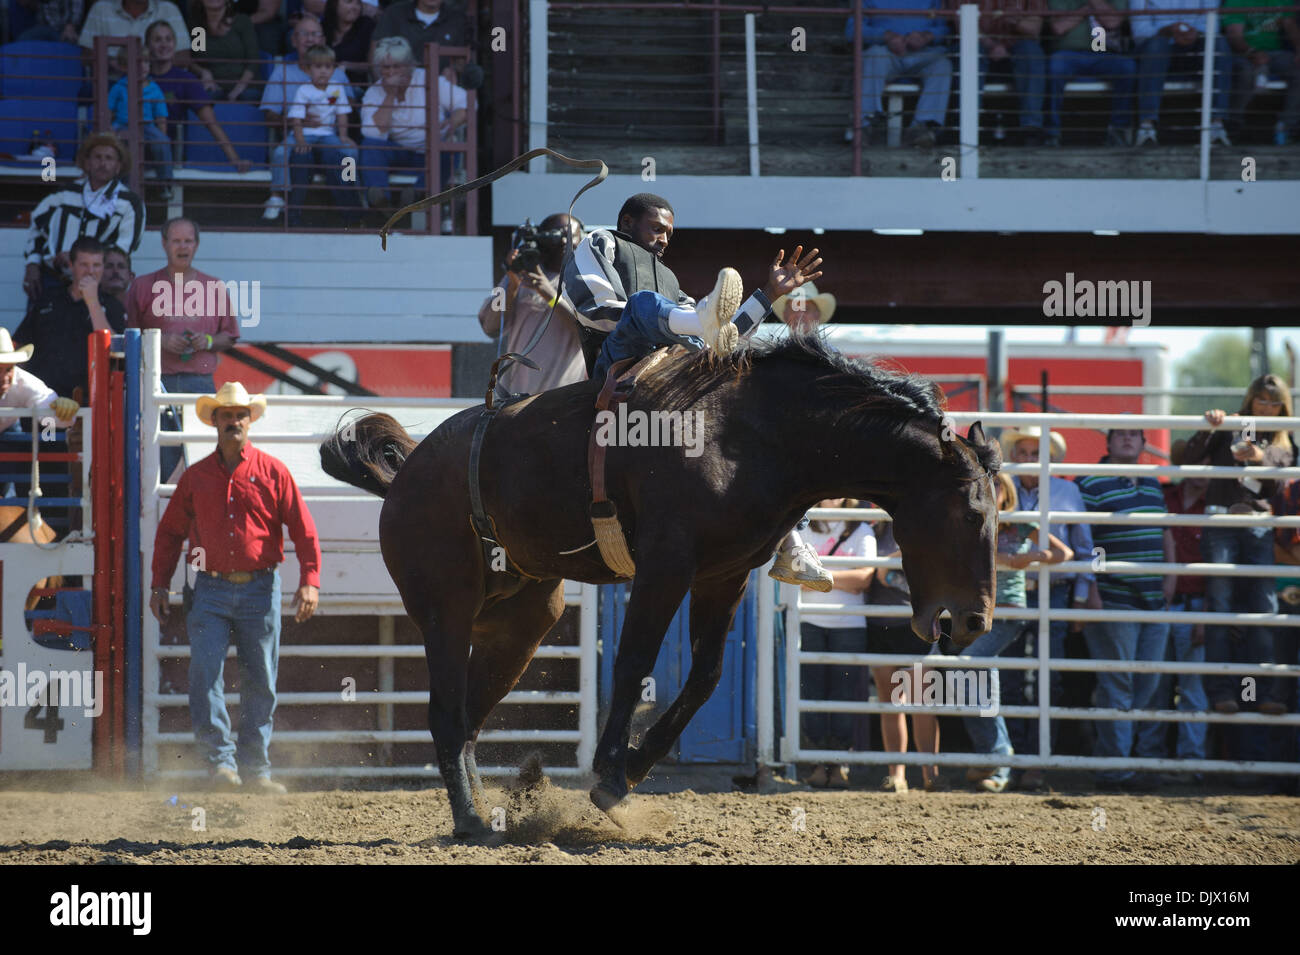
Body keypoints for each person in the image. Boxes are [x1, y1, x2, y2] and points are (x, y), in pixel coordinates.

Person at [561, 192, 832, 590]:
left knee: (751, 402)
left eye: (670, 232)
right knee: (643, 308)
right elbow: (593, 309)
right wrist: (669, 322)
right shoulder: (602, 242)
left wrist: (769, 294)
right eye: (657, 228)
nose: (666, 239)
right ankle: (693, 319)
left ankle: (792, 542)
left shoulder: (670, 282)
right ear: (627, 221)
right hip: (617, 366)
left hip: (672, 370)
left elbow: (718, 340)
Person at [149, 381, 320, 793]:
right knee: (205, 675)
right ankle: (222, 765)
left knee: (259, 678)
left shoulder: (272, 471)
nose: (234, 421)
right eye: (227, 415)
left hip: (259, 587)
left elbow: (303, 529)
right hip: (209, 588)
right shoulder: (197, 477)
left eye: (240, 414)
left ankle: (255, 769)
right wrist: (159, 584)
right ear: (216, 422)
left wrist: (310, 580)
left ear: (249, 420)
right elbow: (170, 533)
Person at [1184, 374, 1294, 772]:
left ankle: (1259, 691)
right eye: (1262, 401)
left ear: (1282, 407)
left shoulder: (1283, 439)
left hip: (1258, 525)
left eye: (1274, 403)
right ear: (1251, 400)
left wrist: (1258, 457)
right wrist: (1209, 424)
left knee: (1262, 608)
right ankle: (1224, 690)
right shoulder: (1230, 423)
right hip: (1223, 521)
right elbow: (1191, 459)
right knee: (1223, 604)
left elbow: (1279, 467)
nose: (1267, 409)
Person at [960, 470, 1072, 792]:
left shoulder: (1021, 524)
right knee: (976, 679)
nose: (992, 492)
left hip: (1008, 611)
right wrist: (1009, 558)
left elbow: (1063, 553)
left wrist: (1031, 557)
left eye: (997, 487)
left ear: (1007, 492)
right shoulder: (973, 523)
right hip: (980, 613)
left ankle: (996, 756)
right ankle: (993, 760)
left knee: (968, 669)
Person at [1077, 425, 1176, 790]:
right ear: (1108, 441)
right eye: (1120, 433)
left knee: (1147, 681)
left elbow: (1164, 531)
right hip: (1114, 595)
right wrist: (1092, 589)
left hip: (1154, 596)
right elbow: (1084, 538)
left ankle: (1120, 758)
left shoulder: (1152, 482)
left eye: (1135, 434)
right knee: (1118, 682)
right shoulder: (1090, 482)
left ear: (1144, 443)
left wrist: (1170, 577)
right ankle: (1116, 767)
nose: (1127, 438)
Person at [997, 425, 1093, 789]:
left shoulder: (1067, 491)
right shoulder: (1003, 491)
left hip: (1054, 592)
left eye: (1034, 453)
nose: (1027, 459)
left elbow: (1084, 550)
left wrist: (1082, 597)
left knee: (1045, 678)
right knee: (1008, 676)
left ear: (1048, 458)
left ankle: (1035, 760)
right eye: (1021, 453)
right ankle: (1014, 757)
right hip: (1011, 590)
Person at [126, 217, 241, 480]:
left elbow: (231, 336)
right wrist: (159, 340)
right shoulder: (142, 286)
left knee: (205, 460)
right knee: (159, 459)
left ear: (197, 246)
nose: (182, 246)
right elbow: (130, 337)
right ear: (164, 244)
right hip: (157, 383)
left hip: (199, 383)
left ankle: (200, 517)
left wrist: (208, 341)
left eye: (188, 241)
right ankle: (161, 515)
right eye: (176, 240)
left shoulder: (215, 287)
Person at [1136, 438, 1208, 780]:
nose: (1198, 470)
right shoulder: (1164, 497)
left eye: (1205, 462)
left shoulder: (1213, 506)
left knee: (1192, 688)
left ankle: (1190, 761)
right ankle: (1151, 759)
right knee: (1154, 685)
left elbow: (1217, 571)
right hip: (1160, 601)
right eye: (1192, 461)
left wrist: (1205, 614)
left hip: (1194, 603)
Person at [866, 503, 944, 792]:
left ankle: (930, 774)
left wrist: (888, 563)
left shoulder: (927, 529)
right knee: (890, 701)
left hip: (916, 622)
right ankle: (897, 774)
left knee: (921, 701)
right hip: (880, 621)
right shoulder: (873, 528)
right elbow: (871, 573)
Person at [799, 499, 875, 789]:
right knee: (813, 693)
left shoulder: (862, 529)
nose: (832, 497)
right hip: (811, 621)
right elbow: (796, 578)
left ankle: (840, 761)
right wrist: (844, 579)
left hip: (849, 624)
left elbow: (865, 578)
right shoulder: (804, 528)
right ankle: (820, 761)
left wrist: (817, 576)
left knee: (844, 696)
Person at [22, 132, 145, 304]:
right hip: (52, 279)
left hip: (96, 286)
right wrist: (32, 264)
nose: (103, 163)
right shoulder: (64, 193)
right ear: (86, 163)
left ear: (118, 166)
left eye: (109, 158)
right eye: (97, 157)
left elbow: (122, 249)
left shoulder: (130, 203)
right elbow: (36, 226)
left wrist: (78, 258)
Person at [477, 213, 586, 395]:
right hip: (512, 399)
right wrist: (511, 284)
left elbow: (584, 331)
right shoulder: (517, 275)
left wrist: (548, 293)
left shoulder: (586, 282)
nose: (563, 241)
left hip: (564, 402)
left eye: (570, 235)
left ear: (581, 239)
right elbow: (489, 327)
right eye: (556, 234)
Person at [258, 15, 351, 220]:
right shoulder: (281, 72)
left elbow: (348, 109)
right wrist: (297, 122)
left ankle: (354, 193)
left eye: (315, 34)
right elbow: (269, 115)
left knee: (350, 153)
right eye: (304, 34)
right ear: (293, 41)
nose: (310, 39)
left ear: (324, 41)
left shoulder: (337, 76)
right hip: (299, 137)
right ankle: (277, 197)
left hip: (329, 138)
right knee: (281, 153)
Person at [14, 236, 127, 402]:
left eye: (96, 265)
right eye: (84, 265)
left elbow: (113, 350)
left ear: (103, 267)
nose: (90, 271)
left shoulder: (112, 306)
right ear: (71, 266)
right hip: (44, 400)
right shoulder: (48, 300)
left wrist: (92, 301)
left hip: (90, 404)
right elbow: (21, 345)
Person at [359, 35, 466, 209]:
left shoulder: (429, 80)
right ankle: (380, 201)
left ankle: (417, 196)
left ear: (409, 66)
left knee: (449, 152)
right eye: (386, 67)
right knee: (370, 146)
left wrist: (451, 122)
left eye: (397, 66)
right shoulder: (374, 91)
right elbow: (373, 133)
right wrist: (391, 94)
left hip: (431, 150)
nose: (391, 72)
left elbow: (466, 103)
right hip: (398, 151)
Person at [146, 19, 253, 174]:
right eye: (157, 40)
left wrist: (235, 160)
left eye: (168, 39)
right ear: (148, 46)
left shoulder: (186, 79)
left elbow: (211, 123)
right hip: (138, 148)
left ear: (175, 44)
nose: (164, 44)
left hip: (170, 153)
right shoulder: (137, 78)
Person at [844, 0, 952, 147]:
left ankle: (922, 128)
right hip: (886, 54)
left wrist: (927, 36)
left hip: (922, 54)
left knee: (942, 65)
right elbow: (852, 30)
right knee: (874, 55)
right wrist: (886, 36)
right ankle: (863, 125)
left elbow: (945, 29)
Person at [1129, 0, 1232, 146]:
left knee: (1218, 43)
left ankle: (1216, 127)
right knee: (1157, 46)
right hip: (1156, 49)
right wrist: (1168, 31)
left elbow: (1212, 26)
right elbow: (1140, 33)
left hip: (1195, 47)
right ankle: (1146, 128)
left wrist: (1193, 33)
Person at [286, 44, 363, 226]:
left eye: (328, 67)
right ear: (309, 69)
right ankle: (293, 215)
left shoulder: (336, 88)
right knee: (300, 158)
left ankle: (353, 210)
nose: (323, 71)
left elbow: (342, 114)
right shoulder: (303, 90)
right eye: (318, 67)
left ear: (333, 69)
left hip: (328, 135)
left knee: (343, 158)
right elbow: (296, 118)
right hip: (307, 135)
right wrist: (300, 140)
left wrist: (343, 136)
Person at [1044, 0, 1136, 146]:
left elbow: (1113, 22)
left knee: (1127, 67)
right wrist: (1087, 8)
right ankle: (1052, 133)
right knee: (1054, 67)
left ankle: (1118, 130)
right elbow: (1058, 27)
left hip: (1105, 54)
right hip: (1068, 54)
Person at [1222, 0, 1300, 144]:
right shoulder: (1235, 2)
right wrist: (1251, 52)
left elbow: (1290, 24)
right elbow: (1234, 36)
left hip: (1275, 54)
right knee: (1245, 73)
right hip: (1242, 55)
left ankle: (1287, 127)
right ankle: (1233, 126)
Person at [975, 0, 1047, 144]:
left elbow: (1034, 29)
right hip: (981, 45)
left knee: (1031, 52)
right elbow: (962, 24)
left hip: (1018, 47)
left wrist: (1015, 23)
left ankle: (1030, 128)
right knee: (969, 51)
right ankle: (969, 126)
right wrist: (992, 45)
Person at [109, 51, 173, 196]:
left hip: (147, 127)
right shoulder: (119, 87)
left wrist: (160, 137)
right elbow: (108, 111)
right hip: (122, 125)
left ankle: (165, 183)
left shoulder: (154, 89)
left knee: (163, 142)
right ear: (125, 67)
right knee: (121, 147)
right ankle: (123, 186)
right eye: (137, 63)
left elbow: (161, 117)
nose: (143, 66)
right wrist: (110, 131)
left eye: (146, 62)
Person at [0, 329, 82, 433]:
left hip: (7, 431)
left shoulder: (24, 383)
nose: (4, 378)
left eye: (9, 369)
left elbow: (52, 416)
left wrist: (63, 412)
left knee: (15, 441)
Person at [79, 0, 192, 68]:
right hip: (110, 84)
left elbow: (183, 58)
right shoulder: (101, 9)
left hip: (159, 83)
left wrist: (146, 67)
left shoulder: (169, 9)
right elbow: (87, 56)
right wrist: (119, 66)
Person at [188, 0, 261, 102]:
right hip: (213, 86)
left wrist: (237, 90)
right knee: (204, 99)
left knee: (247, 97)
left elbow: (253, 61)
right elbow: (196, 60)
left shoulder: (242, 21)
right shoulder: (198, 27)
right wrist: (204, 72)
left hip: (245, 86)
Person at [372, 0, 468, 72]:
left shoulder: (457, 19)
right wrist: (383, 85)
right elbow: (376, 52)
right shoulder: (394, 13)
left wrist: (453, 70)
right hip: (398, 87)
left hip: (441, 89)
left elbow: (462, 60)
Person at [325, 0, 377, 88]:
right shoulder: (324, 27)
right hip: (325, 84)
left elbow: (374, 65)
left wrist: (347, 66)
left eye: (358, 3)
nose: (355, 7)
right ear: (334, 4)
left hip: (356, 87)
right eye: (349, 2)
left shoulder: (367, 26)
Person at [771, 281, 836, 333]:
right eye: (794, 308)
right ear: (785, 314)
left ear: (817, 315)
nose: (799, 314)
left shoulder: (828, 350)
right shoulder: (774, 350)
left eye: (806, 309)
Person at [15, 0, 83, 43]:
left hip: (64, 29)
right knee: (22, 41)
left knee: (70, 42)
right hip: (44, 28)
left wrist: (70, 26)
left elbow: (76, 5)